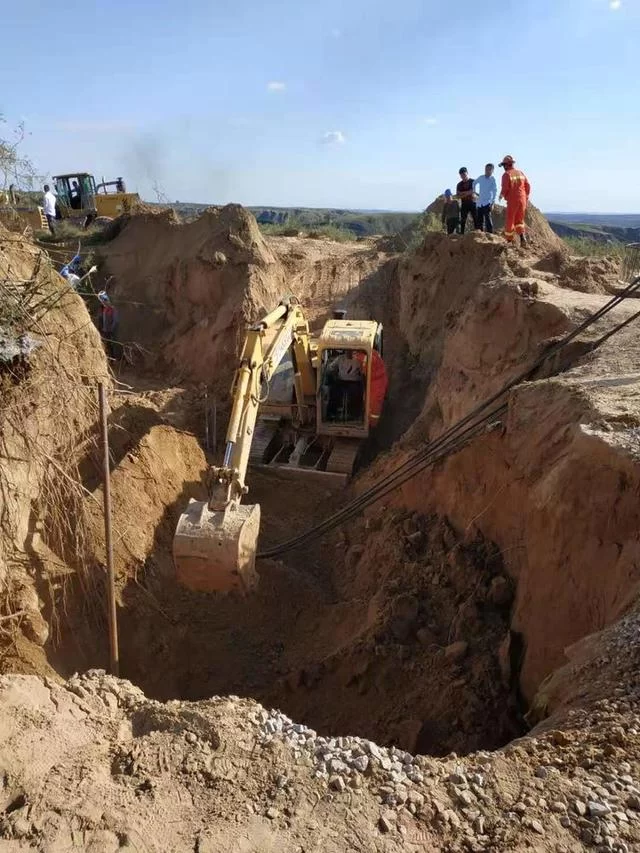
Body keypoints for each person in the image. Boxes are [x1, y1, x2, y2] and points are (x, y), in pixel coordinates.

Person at [499, 155, 531, 246]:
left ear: (506, 165)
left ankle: (509, 241)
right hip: (523, 199)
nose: (503, 167)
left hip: (513, 200)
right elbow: (527, 186)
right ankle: (522, 238)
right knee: (519, 221)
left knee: (510, 220)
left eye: (503, 165)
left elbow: (505, 188)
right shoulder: (520, 173)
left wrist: (501, 195)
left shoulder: (506, 174)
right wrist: (526, 197)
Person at [327, 350, 364, 421]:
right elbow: (330, 367)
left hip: (354, 381)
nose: (349, 352)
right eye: (347, 350)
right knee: (334, 390)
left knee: (356, 392)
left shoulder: (359, 360)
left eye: (351, 350)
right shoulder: (340, 358)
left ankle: (353, 414)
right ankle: (332, 413)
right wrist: (333, 374)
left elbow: (363, 371)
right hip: (341, 380)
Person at [474, 163, 498, 233]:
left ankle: (490, 235)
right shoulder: (481, 178)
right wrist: (474, 193)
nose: (487, 171)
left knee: (488, 219)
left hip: (487, 202)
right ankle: (480, 234)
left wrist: (493, 202)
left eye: (489, 169)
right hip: (480, 202)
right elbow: (474, 183)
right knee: (479, 220)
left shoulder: (492, 179)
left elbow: (495, 191)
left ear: (492, 170)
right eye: (486, 169)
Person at [97, 291, 119, 359]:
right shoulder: (104, 309)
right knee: (108, 345)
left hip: (111, 331)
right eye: (102, 301)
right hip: (105, 330)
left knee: (113, 344)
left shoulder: (113, 309)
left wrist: (111, 329)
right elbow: (103, 320)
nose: (103, 303)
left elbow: (115, 320)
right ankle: (111, 358)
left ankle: (116, 357)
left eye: (104, 301)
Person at [456, 167, 477, 234]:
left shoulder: (473, 181)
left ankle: (478, 232)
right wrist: (468, 192)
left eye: (464, 175)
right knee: (463, 219)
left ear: (467, 173)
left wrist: (462, 193)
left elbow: (473, 191)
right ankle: (462, 234)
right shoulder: (459, 184)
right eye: (461, 175)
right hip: (464, 203)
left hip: (473, 202)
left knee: (475, 218)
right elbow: (458, 195)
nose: (463, 177)